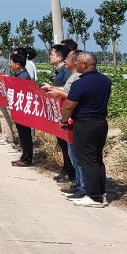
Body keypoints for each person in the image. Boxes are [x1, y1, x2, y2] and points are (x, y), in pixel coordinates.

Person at [62, 52, 111, 207]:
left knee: (88, 161)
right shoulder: (105, 80)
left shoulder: (80, 83)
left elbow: (69, 106)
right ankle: (101, 193)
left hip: (85, 124)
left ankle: (94, 197)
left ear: (84, 64)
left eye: (77, 61)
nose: (75, 63)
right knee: (97, 159)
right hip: (100, 123)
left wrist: (63, 121)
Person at [45, 48, 87, 199]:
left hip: (75, 120)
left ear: (76, 61)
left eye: (68, 58)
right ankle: (79, 184)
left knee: (78, 155)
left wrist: (59, 93)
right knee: (72, 153)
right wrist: (53, 89)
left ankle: (83, 187)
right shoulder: (73, 76)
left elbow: (72, 97)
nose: (65, 60)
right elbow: (67, 91)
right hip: (69, 119)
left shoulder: (78, 78)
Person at [44, 44, 75, 184]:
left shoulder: (67, 72)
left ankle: (70, 171)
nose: (50, 57)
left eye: (52, 54)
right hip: (59, 113)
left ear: (60, 57)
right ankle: (66, 169)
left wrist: (56, 90)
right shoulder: (60, 71)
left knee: (66, 143)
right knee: (62, 143)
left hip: (66, 114)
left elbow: (69, 92)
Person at [9, 52, 35, 167]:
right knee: (22, 134)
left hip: (23, 110)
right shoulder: (20, 75)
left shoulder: (23, 77)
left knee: (25, 134)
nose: (10, 64)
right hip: (19, 108)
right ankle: (24, 156)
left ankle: (27, 158)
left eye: (11, 62)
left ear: (17, 64)